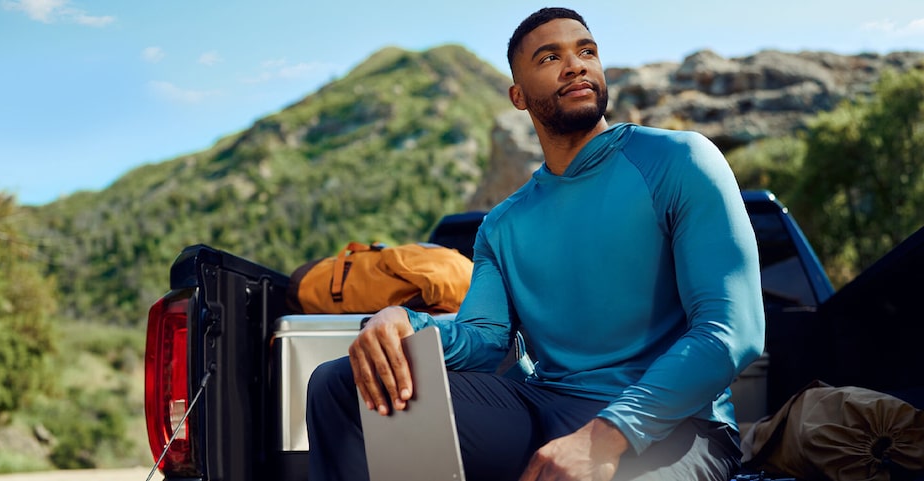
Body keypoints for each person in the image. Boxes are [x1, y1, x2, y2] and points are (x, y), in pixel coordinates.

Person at [306, 7, 765, 481]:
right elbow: (482, 341)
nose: (575, 65)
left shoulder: (680, 160)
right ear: (518, 96)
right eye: (550, 57)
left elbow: (732, 331)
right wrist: (402, 321)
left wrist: (604, 437)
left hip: (676, 424)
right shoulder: (503, 224)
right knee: (338, 386)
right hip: (547, 405)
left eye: (586, 51)